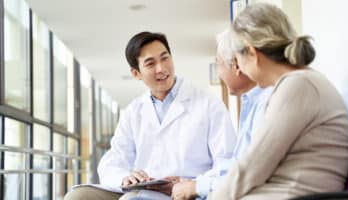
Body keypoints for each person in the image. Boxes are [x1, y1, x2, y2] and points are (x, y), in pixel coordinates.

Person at [65, 31, 237, 200]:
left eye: (165, 58)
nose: (161, 68)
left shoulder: (209, 104)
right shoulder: (134, 111)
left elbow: (227, 162)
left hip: (188, 191)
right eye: (150, 64)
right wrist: (125, 177)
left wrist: (194, 184)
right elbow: (113, 160)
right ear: (136, 73)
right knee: (78, 196)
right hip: (145, 190)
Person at [207, 3, 348, 200]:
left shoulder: (298, 85)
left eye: (237, 59)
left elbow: (253, 164)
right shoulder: (298, 83)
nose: (238, 67)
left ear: (251, 53)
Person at [171, 29, 273, 199]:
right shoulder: (251, 103)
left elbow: (252, 174)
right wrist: (195, 182)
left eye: (218, 64)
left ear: (236, 65)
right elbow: (237, 164)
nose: (218, 73)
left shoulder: (266, 103)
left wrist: (197, 187)